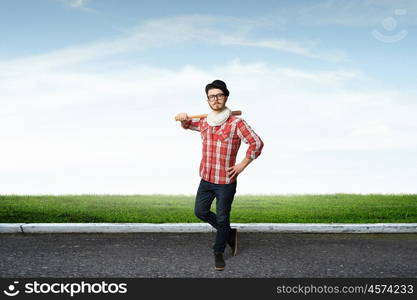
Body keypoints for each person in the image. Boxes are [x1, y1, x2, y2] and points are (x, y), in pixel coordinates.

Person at [175, 79, 264, 271]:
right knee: (200, 211)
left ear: (226, 96)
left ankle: (218, 251)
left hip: (225, 181)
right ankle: (229, 233)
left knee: (222, 219)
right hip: (206, 178)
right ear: (207, 100)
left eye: (219, 95)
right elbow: (188, 124)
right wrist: (183, 119)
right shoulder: (206, 122)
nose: (215, 99)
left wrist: (242, 164)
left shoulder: (236, 123)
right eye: (211, 97)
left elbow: (257, 143)